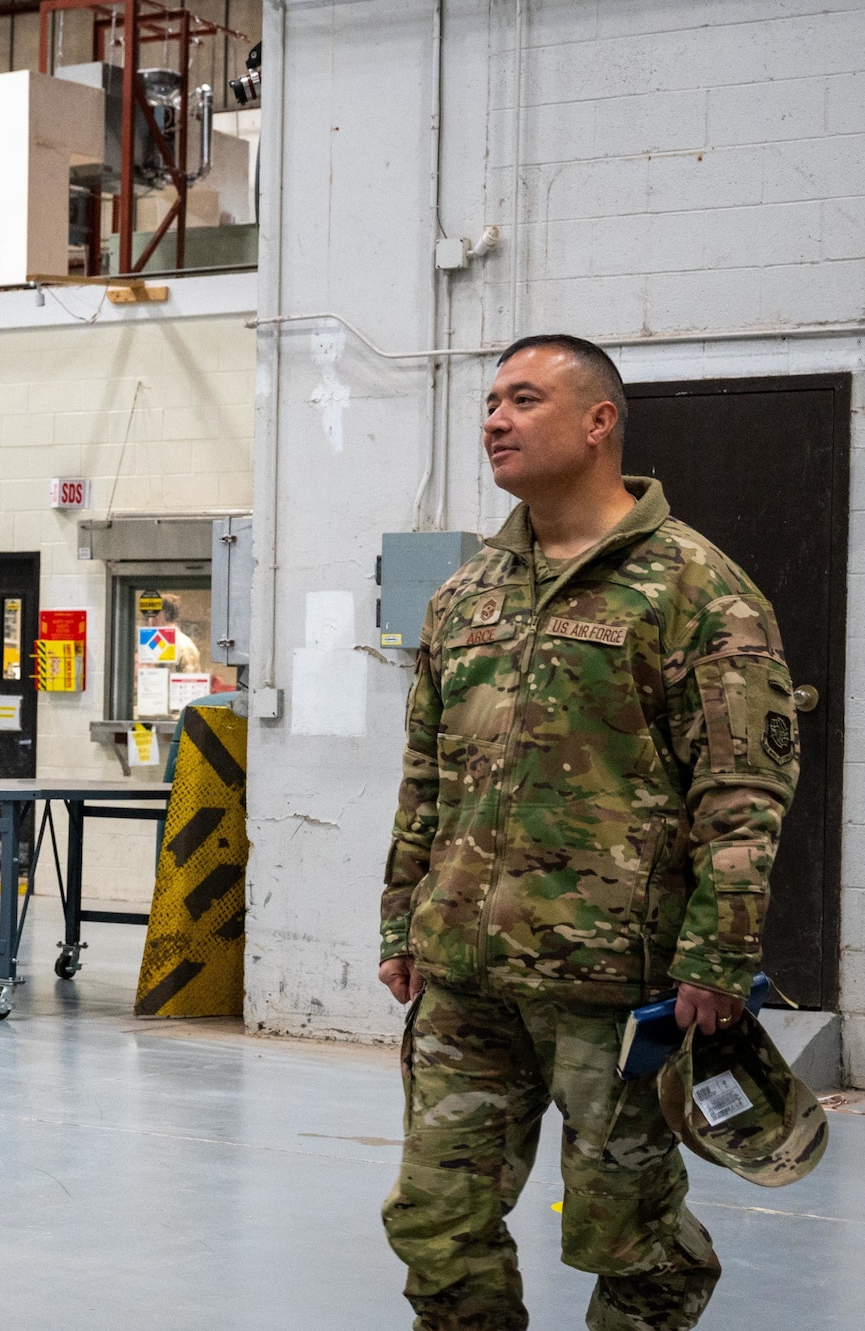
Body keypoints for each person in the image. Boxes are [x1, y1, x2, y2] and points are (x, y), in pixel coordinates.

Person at [377, 334, 798, 1331]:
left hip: (618, 989)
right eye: (488, 401)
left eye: (522, 399)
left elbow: (740, 790)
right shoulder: (465, 594)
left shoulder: (696, 588)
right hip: (463, 978)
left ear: (597, 421)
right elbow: (427, 775)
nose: (492, 419)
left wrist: (716, 954)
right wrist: (401, 917)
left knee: (630, 1236)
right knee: (435, 1219)